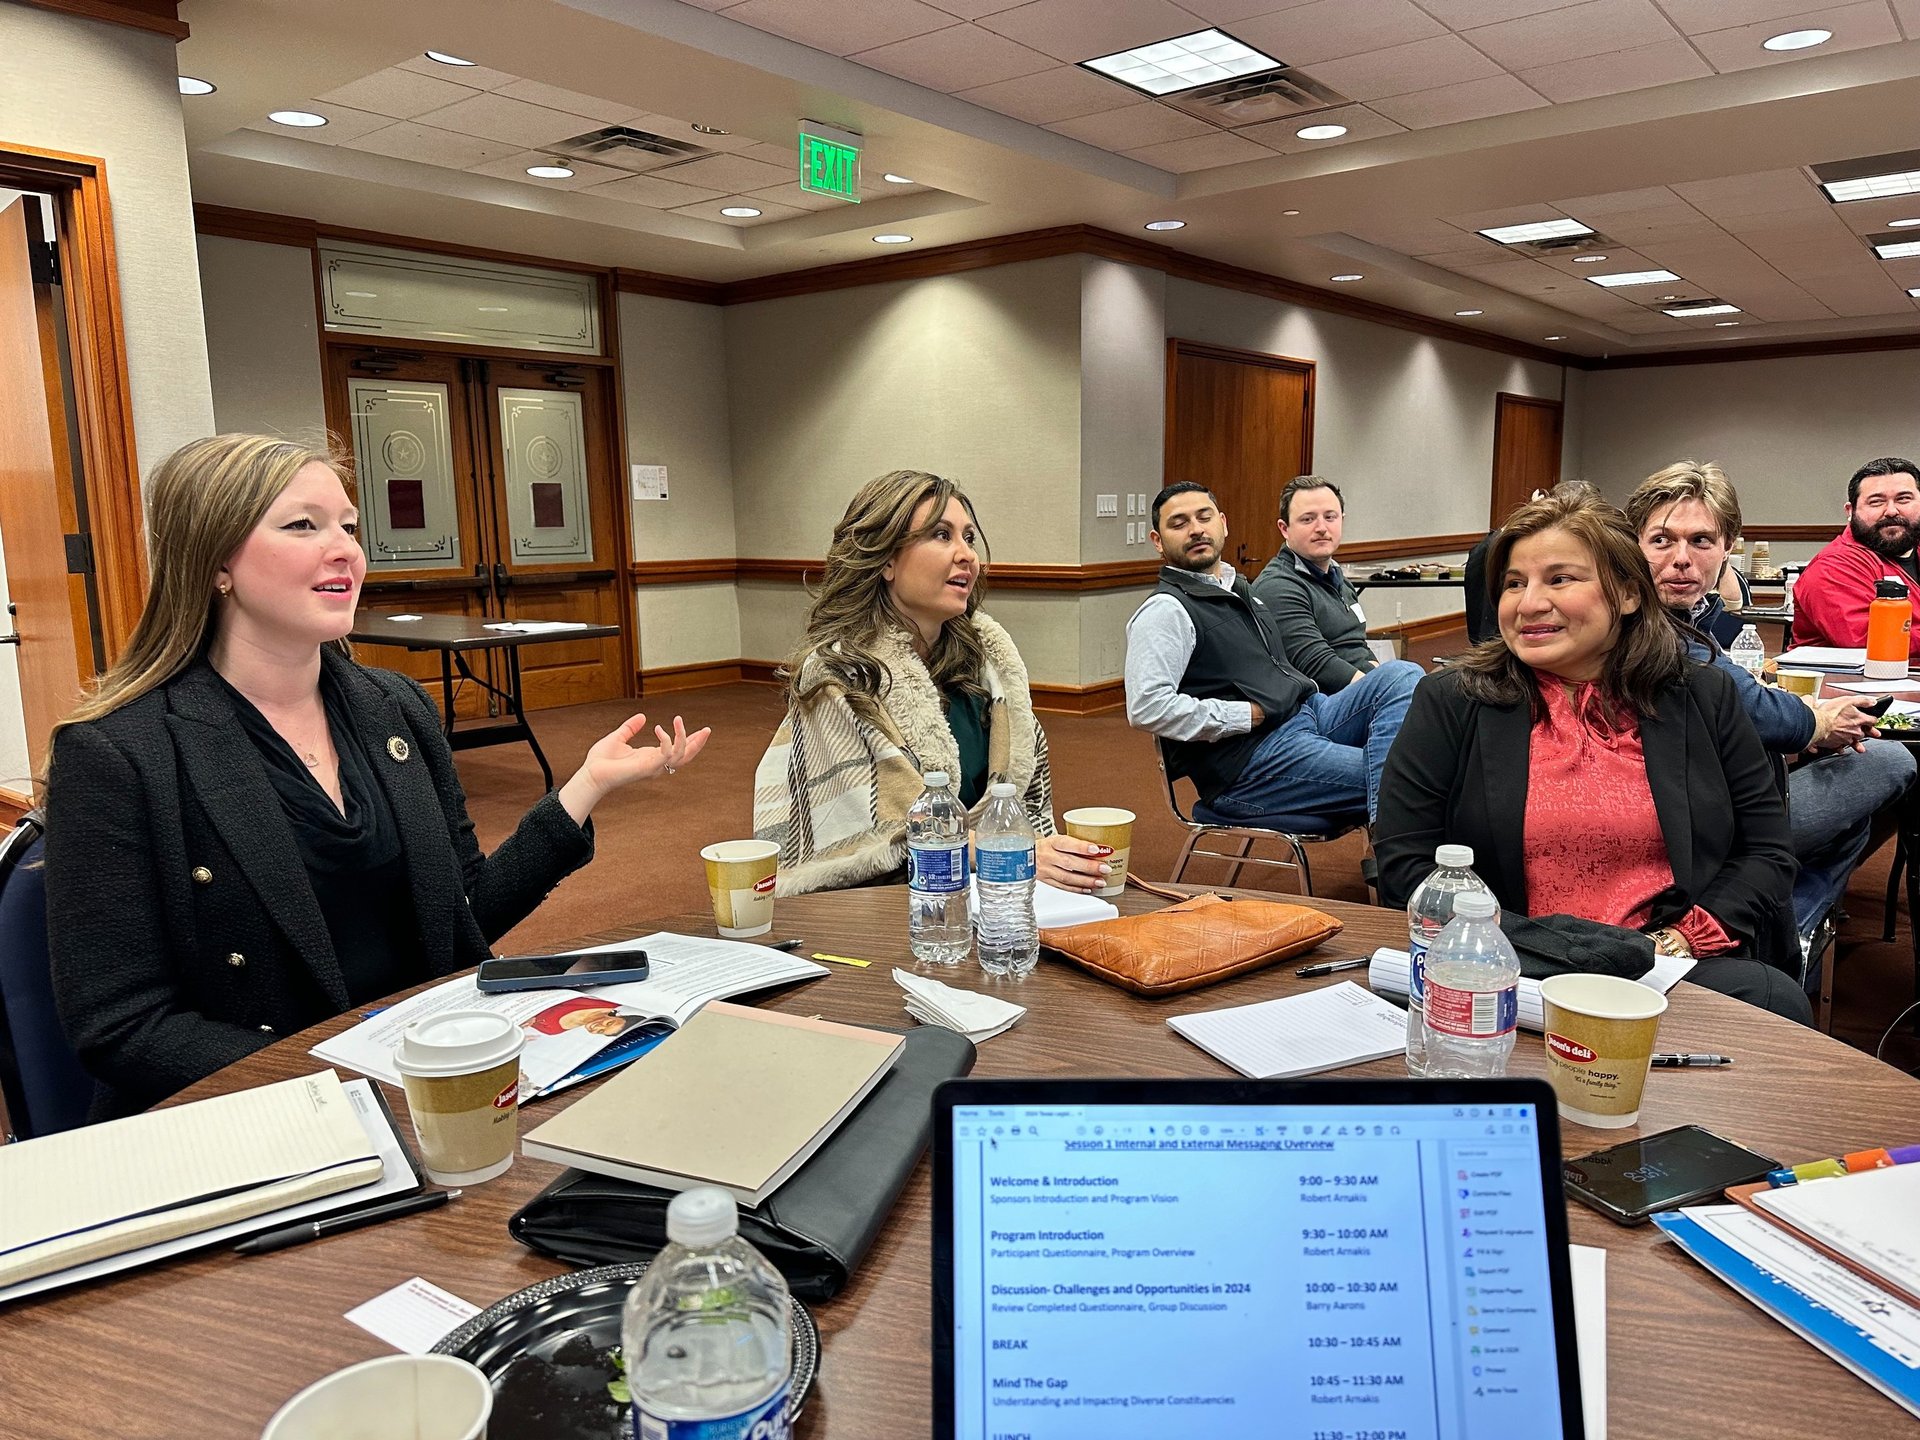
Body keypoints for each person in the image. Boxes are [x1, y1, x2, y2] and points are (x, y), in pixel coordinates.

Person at [44, 434, 709, 1117]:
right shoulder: (118, 753)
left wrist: (585, 787)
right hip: (260, 1114)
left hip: (421, 1088)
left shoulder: (393, 706)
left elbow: (460, 915)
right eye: (303, 525)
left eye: (349, 526)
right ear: (216, 560)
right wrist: (343, 1082)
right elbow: (122, 1027)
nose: (346, 550)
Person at [1375, 489, 1809, 1020]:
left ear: (1627, 594)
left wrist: (1672, 943)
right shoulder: (1454, 700)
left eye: (1560, 579)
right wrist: (1541, 949)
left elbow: (1766, 853)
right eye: (1514, 583)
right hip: (1508, 965)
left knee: (1773, 1002)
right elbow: (1404, 864)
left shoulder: (1703, 696)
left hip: (1663, 965)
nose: (1529, 603)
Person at [752, 470, 1108, 896]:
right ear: (885, 560)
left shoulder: (989, 669)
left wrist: (1047, 857)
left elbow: (1025, 808)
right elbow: (862, 850)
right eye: (942, 535)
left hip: (993, 897)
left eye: (969, 538)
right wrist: (1003, 850)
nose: (967, 556)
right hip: (882, 910)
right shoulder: (838, 674)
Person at [1627, 461, 1913, 945]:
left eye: (1701, 541)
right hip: (1694, 827)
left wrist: (1806, 735)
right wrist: (1815, 726)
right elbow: (1749, 705)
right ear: (1632, 546)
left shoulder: (1696, 615)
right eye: (1662, 541)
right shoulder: (1646, 626)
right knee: (1891, 761)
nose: (1681, 559)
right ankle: (1781, 934)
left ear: (1726, 548)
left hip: (1723, 789)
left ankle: (1782, 927)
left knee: (1852, 817)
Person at [1124, 482, 1421, 826]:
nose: (1196, 530)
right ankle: (1397, 853)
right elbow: (1146, 707)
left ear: (1223, 523)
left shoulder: (1239, 590)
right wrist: (1242, 715)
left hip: (1306, 716)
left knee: (1403, 674)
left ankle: (1389, 832)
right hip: (1252, 762)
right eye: (1179, 523)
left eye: (1204, 517)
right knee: (1412, 779)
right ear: (1158, 541)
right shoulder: (1166, 610)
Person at [1250, 475, 1381, 694]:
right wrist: (1382, 687)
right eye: (1308, 519)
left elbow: (1358, 646)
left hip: (1361, 692)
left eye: (1330, 517)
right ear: (1284, 528)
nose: (1321, 527)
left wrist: (1382, 675)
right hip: (1320, 704)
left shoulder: (1340, 579)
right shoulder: (1278, 586)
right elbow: (1317, 665)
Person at [1793, 457, 1920, 656]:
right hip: (1850, 683)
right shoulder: (1833, 566)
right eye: (1876, 502)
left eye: (1903, 499)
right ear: (1850, 511)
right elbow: (1864, 639)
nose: (1892, 511)